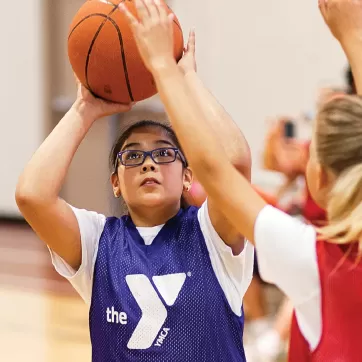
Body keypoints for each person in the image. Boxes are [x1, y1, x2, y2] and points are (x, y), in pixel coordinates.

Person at [120, 0, 362, 361]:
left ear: (322, 177)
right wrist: (354, 35)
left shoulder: (314, 260)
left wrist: (163, 69)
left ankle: (265, 336)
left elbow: (217, 171)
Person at [15, 16, 254, 362]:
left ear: (187, 176)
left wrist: (185, 79)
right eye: (133, 155)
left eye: (163, 153)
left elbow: (234, 164)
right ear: (115, 183)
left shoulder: (211, 235)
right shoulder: (97, 243)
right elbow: (32, 195)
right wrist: (85, 108)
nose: (148, 162)